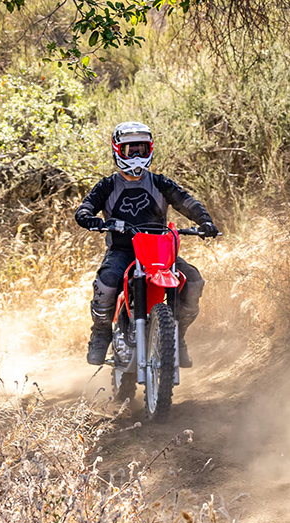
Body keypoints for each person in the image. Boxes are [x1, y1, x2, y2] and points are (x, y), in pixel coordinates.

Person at [75, 121, 219, 367]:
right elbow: (84, 208)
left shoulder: (160, 183)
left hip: (158, 249)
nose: (137, 155)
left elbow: (186, 201)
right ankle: (100, 334)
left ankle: (177, 338)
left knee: (193, 281)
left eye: (142, 149)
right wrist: (92, 220)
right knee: (106, 283)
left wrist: (204, 221)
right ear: (118, 151)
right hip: (123, 250)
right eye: (132, 150)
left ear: (150, 149)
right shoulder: (108, 185)